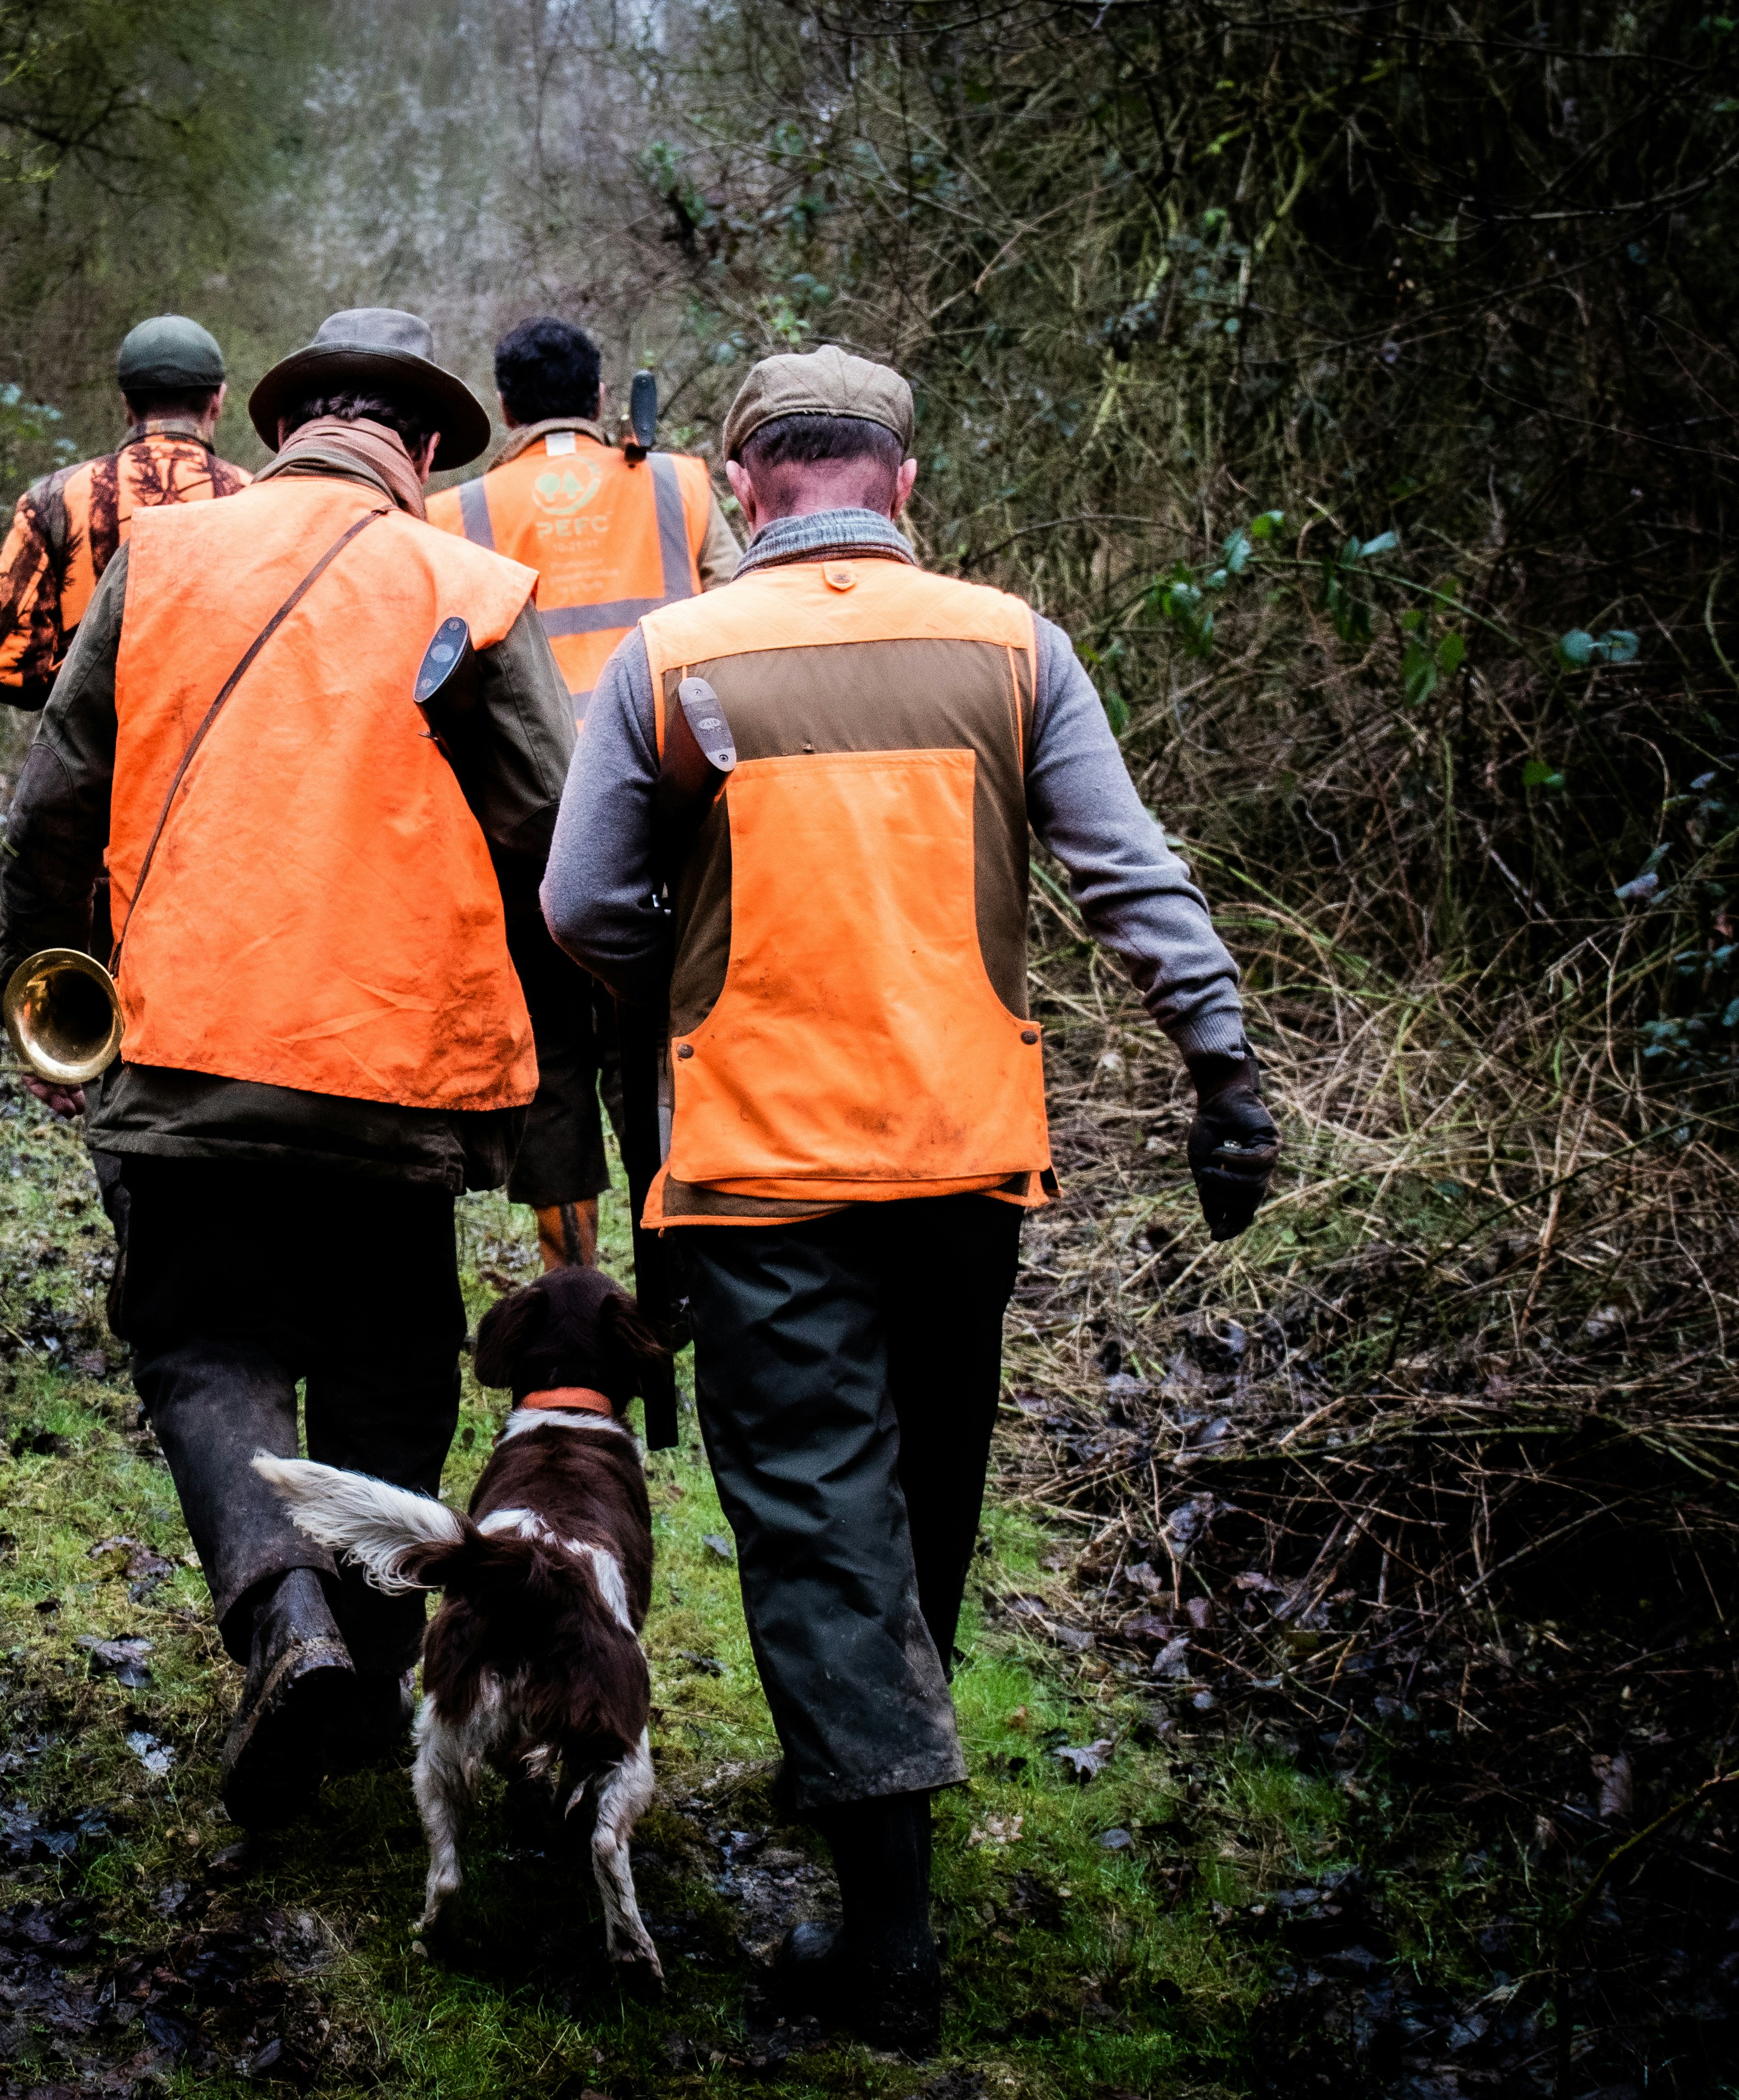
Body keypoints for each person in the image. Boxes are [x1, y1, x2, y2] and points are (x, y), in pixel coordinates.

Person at [542, 344, 1282, 2054]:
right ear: (905, 481)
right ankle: (883, 1781)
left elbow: (584, 902)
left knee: (816, 1513)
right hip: (963, 1159)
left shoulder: (670, 652)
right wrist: (1219, 1063)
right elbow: (1124, 868)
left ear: (741, 487)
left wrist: (698, 977)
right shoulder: (1013, 646)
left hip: (755, 1162)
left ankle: (886, 1936)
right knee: (925, 1481)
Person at [0, 309, 577, 1832]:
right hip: (399, 1065)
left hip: (185, 1046)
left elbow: (54, 802)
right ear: (434, 448)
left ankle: (284, 1623)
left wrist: (55, 994)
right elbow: (559, 848)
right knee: (387, 1362)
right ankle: (366, 1668)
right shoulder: (478, 587)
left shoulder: (165, 560)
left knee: (204, 1345)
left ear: (291, 420)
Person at [428, 317, 741, 1275]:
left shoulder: (453, 513)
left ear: (503, 408)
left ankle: (575, 1282)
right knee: (670, 1042)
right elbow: (741, 619)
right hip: (673, 817)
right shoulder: (682, 484)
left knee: (555, 1053)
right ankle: (685, 1258)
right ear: (602, 397)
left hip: (530, 831)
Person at [0, 314, 246, 712]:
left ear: (126, 405)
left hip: (97, 768)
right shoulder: (260, 498)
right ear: (218, 401)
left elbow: (2, 659)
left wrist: (89, 696)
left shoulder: (55, 499)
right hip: (221, 760)